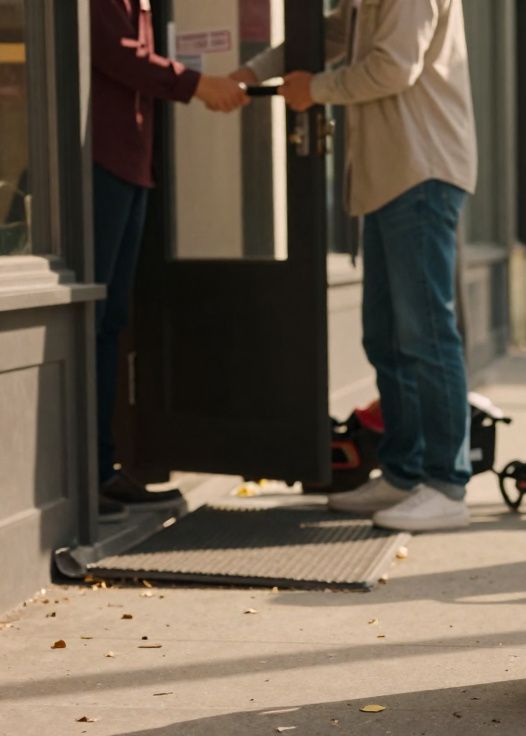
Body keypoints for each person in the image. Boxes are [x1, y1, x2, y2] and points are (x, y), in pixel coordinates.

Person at [233, 0, 478, 532]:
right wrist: (255, 72)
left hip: (421, 173)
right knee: (387, 338)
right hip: (392, 177)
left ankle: (446, 484)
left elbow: (394, 66)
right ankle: (403, 473)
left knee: (427, 337)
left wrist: (314, 90)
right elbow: (327, 34)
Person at [91, 0, 248, 521]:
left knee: (110, 319)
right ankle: (90, 476)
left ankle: (103, 471)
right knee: (94, 320)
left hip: (133, 163)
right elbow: (116, 53)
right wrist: (197, 85)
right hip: (99, 161)